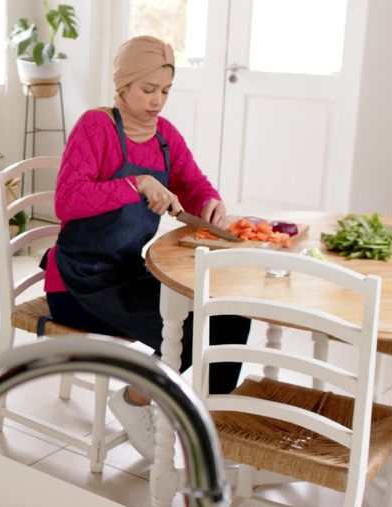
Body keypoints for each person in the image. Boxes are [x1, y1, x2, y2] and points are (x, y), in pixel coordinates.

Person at [42, 36, 251, 463]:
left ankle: (214, 432)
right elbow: (66, 200)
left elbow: (193, 184)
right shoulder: (96, 126)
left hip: (127, 271)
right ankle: (136, 400)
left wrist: (209, 202)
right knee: (192, 330)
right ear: (123, 84)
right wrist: (134, 184)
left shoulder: (164, 137)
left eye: (165, 92)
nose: (158, 101)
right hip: (77, 284)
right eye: (148, 90)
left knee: (229, 315)